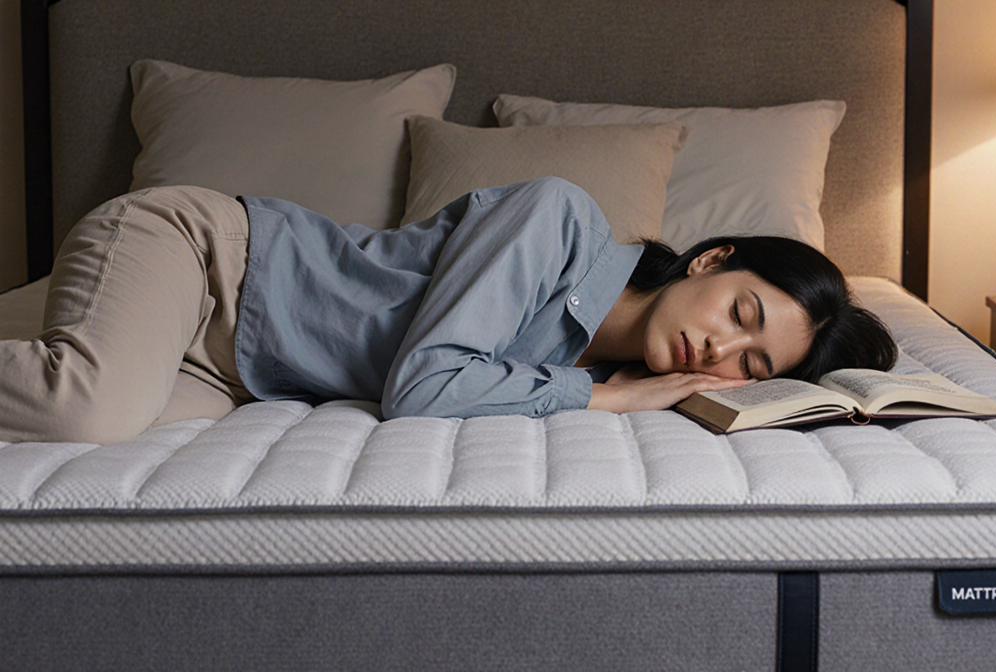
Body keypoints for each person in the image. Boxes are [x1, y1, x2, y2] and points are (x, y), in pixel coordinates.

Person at [0, 177, 896, 444]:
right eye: (742, 311)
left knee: (67, 422)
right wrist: (609, 398)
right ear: (711, 260)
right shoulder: (557, 221)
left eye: (750, 364)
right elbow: (421, 388)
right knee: (85, 407)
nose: (720, 348)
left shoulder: (594, 365)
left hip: (240, 372)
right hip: (209, 261)